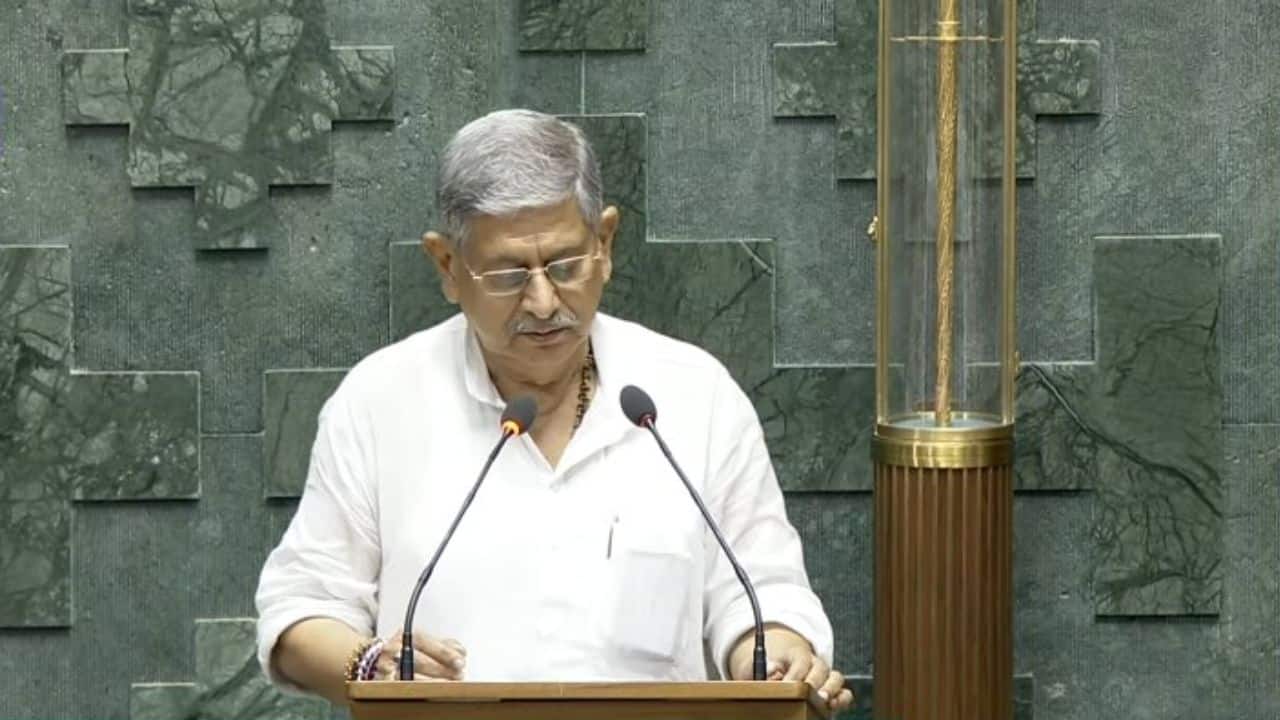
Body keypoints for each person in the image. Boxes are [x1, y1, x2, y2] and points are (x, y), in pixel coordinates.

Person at [254, 109, 854, 712]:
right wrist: (367, 662)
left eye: (566, 266)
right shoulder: (380, 402)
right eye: (509, 274)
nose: (543, 303)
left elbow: (762, 591)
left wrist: (777, 652)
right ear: (447, 267)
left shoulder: (691, 394)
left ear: (607, 243)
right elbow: (301, 606)